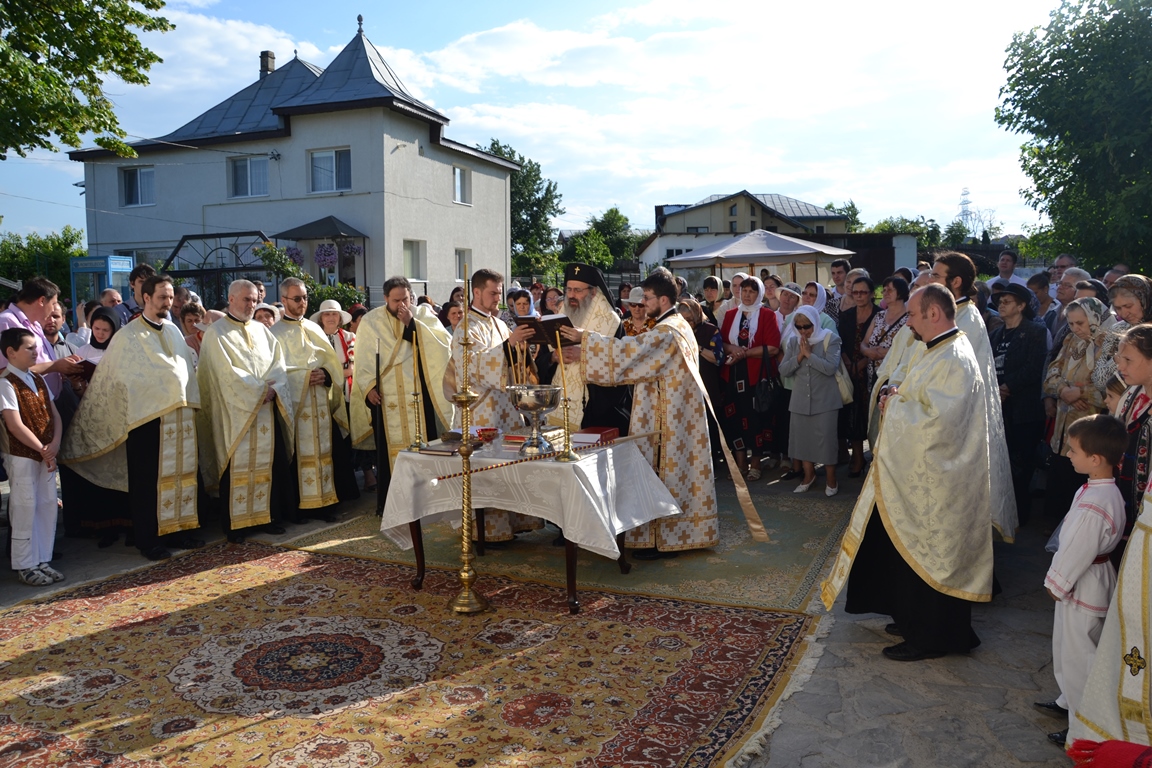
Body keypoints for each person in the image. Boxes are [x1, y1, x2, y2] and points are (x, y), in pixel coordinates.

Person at [825, 284, 994, 661]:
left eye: (914, 316)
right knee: (903, 551)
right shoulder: (939, 349)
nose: (909, 323)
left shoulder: (954, 357)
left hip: (938, 483)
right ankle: (913, 620)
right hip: (921, 476)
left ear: (934, 314)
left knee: (929, 555)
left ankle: (932, 637)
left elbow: (939, 424)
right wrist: (898, 395)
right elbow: (922, 398)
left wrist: (894, 404)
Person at [563, 269, 755, 559]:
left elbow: (633, 353)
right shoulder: (675, 324)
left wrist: (586, 342)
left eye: (648, 298)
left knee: (664, 473)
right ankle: (671, 534)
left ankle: (664, 539)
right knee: (674, 474)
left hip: (668, 416)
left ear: (663, 299)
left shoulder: (669, 330)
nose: (644, 303)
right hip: (675, 411)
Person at [61, 275, 204, 561]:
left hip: (180, 419)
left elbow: (185, 372)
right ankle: (148, 539)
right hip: (146, 421)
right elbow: (117, 379)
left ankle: (179, 530)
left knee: (182, 476)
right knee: (147, 483)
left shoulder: (174, 332)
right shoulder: (128, 336)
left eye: (170, 296)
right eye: (162, 297)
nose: (168, 302)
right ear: (146, 298)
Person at [1035, 414, 1126, 748]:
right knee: (1068, 649)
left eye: (1073, 450)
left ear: (1095, 459)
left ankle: (1082, 728)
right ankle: (1067, 702)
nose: (1068, 455)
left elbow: (1078, 549)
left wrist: (1056, 583)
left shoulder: (1096, 503)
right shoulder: (1101, 491)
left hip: (1083, 584)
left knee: (1078, 657)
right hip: (1088, 582)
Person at [196, 279, 295, 543]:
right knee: (237, 467)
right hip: (235, 413)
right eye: (245, 300)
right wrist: (258, 390)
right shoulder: (216, 333)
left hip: (265, 409)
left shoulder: (263, 332)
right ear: (231, 299)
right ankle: (237, 525)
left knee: (268, 464)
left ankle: (268, 517)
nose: (251, 305)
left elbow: (278, 364)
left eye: (253, 300)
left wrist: (273, 388)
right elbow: (225, 374)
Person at [446, 269, 537, 544]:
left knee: (508, 468)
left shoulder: (498, 323)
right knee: (487, 472)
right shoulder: (466, 327)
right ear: (476, 293)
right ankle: (484, 531)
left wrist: (522, 348)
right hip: (482, 410)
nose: (499, 298)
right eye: (494, 293)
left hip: (506, 409)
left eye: (500, 292)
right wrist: (510, 345)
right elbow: (470, 367)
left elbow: (512, 361)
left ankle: (512, 524)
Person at [352, 277, 454, 507]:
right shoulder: (371, 321)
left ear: (411, 296)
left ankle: (429, 500)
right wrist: (369, 388)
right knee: (387, 454)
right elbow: (363, 360)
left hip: (418, 395)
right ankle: (392, 503)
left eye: (405, 299)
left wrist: (411, 324)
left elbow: (442, 346)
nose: (401, 305)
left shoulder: (423, 316)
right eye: (396, 300)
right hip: (385, 398)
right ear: (386, 298)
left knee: (424, 447)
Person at [271, 283, 354, 520]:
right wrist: (304, 376)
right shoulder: (275, 333)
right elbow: (275, 373)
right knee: (299, 453)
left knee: (325, 451)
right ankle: (300, 506)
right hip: (296, 405)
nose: (302, 303)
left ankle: (327, 503)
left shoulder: (314, 329)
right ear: (284, 299)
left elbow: (331, 364)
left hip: (319, 402)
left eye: (305, 298)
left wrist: (326, 375)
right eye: (296, 298)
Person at [0, 328, 63, 586]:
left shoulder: (38, 380)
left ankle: (42, 558)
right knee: (25, 506)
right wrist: (41, 448)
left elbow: (54, 414)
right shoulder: (6, 382)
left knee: (47, 504)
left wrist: (55, 443)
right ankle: (25, 563)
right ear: (11, 353)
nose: (36, 352)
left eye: (36, 347)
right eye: (29, 348)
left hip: (45, 453)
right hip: (22, 454)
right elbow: (14, 424)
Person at [1043, 297, 1110, 522]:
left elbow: (1113, 389)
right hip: (1063, 431)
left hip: (1092, 432)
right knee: (1059, 482)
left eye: (1080, 323)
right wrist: (1064, 390)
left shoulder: (1111, 344)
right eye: (1071, 324)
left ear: (1095, 318)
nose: (1075, 329)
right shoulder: (1071, 341)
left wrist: (1082, 393)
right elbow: (1051, 375)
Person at [990, 283, 1050, 526]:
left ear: (1021, 305)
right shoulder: (995, 334)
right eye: (1000, 302)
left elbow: (1035, 367)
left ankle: (1020, 514)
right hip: (999, 408)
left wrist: (1008, 386)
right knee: (1001, 461)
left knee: (1022, 463)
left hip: (1024, 409)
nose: (1001, 306)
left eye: (1007, 302)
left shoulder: (1035, 332)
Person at [719, 276, 780, 481]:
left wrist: (745, 353)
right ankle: (740, 463)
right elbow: (723, 342)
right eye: (744, 290)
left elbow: (773, 348)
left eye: (751, 291)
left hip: (755, 375)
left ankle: (755, 464)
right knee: (734, 418)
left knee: (755, 419)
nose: (746, 294)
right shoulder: (729, 315)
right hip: (733, 375)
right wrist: (733, 349)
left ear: (759, 294)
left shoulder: (767, 315)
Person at [778, 305, 842, 495]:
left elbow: (830, 368)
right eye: (799, 327)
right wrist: (799, 356)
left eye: (807, 326)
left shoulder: (830, 338)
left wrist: (809, 355)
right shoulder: (793, 342)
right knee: (803, 441)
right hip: (799, 400)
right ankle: (808, 476)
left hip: (826, 400)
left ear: (815, 322)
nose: (804, 331)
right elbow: (784, 370)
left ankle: (831, 480)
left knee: (827, 440)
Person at [678, 298, 726, 464]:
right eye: (683, 320)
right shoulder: (678, 331)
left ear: (697, 315)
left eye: (689, 319)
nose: (687, 323)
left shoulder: (710, 330)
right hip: (685, 385)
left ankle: (710, 460)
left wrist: (697, 348)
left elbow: (718, 358)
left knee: (708, 423)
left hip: (707, 383)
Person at [838, 275, 877, 477]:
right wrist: (847, 361)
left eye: (863, 292)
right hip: (849, 370)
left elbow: (881, 345)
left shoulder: (880, 315)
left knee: (869, 414)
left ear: (871, 294)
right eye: (856, 292)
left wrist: (864, 363)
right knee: (852, 414)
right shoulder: (846, 315)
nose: (859, 296)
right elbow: (840, 342)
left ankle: (873, 459)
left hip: (871, 372)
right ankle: (858, 457)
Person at [1094, 275, 1152, 393]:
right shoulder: (1117, 330)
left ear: (1145, 300)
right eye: (1118, 308)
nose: (1124, 313)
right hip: (1121, 404)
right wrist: (1119, 358)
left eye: (1128, 306)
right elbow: (1099, 381)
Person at [860, 276, 910, 384]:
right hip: (873, 374)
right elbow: (864, 343)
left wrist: (887, 353)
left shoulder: (910, 319)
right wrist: (868, 351)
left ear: (901, 292)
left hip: (895, 376)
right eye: (884, 290)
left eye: (890, 290)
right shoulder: (879, 316)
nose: (886, 293)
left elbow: (910, 349)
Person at [826, 258, 851, 324]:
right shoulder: (828, 295)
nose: (836, 276)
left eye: (839, 273)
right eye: (833, 273)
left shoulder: (855, 294)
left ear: (848, 273)